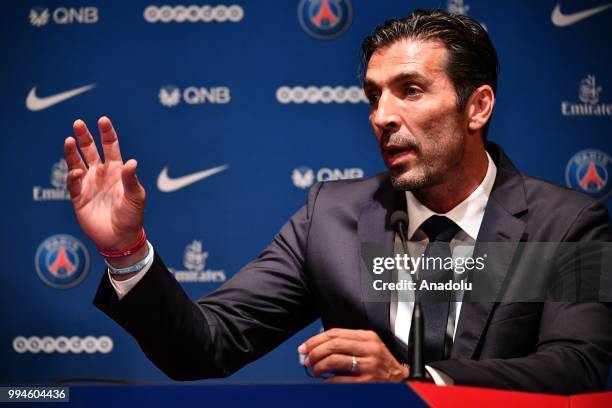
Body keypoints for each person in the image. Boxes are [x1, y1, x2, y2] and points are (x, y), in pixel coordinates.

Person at [63, 9, 612, 394]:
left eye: (411, 90)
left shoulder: (569, 224)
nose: (382, 115)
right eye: (374, 96)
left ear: (477, 107)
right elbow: (206, 345)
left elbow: (581, 364)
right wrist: (127, 250)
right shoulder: (331, 218)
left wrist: (413, 377)